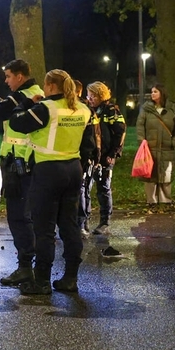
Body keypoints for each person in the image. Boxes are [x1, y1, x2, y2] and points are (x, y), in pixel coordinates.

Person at [8, 69, 92, 294]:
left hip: (48, 171)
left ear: (52, 86)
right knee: (70, 225)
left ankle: (42, 281)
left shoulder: (46, 108)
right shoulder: (83, 109)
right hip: (73, 169)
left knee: (44, 229)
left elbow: (16, 123)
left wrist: (26, 102)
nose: (44, 89)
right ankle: (70, 278)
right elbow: (89, 144)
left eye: (46, 86)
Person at [0, 59, 44, 288]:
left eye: (9, 76)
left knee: (19, 217)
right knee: (25, 217)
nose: (6, 81)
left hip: (21, 165)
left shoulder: (24, 95)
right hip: (22, 164)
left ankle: (26, 267)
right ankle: (30, 266)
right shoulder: (32, 93)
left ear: (20, 76)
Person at [85, 81, 126, 234]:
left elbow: (120, 132)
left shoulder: (111, 110)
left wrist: (113, 154)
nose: (90, 99)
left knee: (103, 189)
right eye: (88, 95)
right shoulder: (88, 110)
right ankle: (84, 221)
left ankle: (105, 222)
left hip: (105, 156)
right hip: (91, 156)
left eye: (93, 96)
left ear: (101, 95)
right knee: (85, 189)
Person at [135, 83, 175, 210]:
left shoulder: (172, 108)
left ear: (162, 93)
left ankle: (166, 201)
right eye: (152, 91)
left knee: (166, 173)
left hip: (167, 147)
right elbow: (140, 126)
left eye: (155, 91)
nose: (152, 94)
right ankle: (152, 201)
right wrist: (142, 141)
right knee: (150, 174)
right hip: (150, 147)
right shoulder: (146, 108)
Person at [76, 80, 101, 236]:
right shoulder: (88, 110)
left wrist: (92, 157)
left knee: (81, 191)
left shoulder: (83, 110)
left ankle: (81, 223)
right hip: (82, 156)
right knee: (82, 191)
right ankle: (81, 223)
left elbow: (93, 135)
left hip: (81, 157)